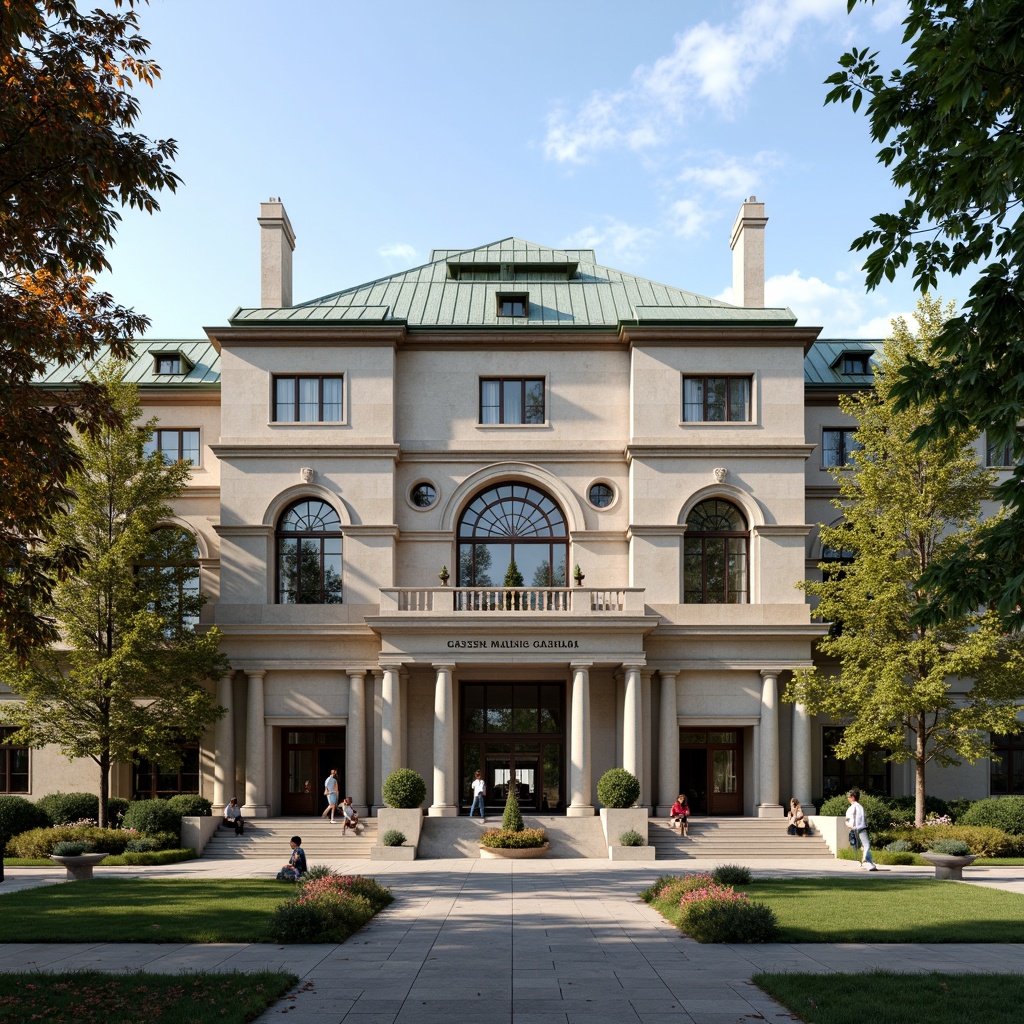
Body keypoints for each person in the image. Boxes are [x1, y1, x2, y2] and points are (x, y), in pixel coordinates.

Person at [845, 788, 877, 871]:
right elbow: (860, 819)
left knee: (863, 845)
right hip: (861, 828)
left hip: (856, 828)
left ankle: (868, 862)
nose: (848, 799)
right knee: (866, 844)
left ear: (852, 797)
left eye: (849, 797)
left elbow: (849, 820)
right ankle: (867, 862)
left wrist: (851, 826)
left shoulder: (853, 808)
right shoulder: (859, 807)